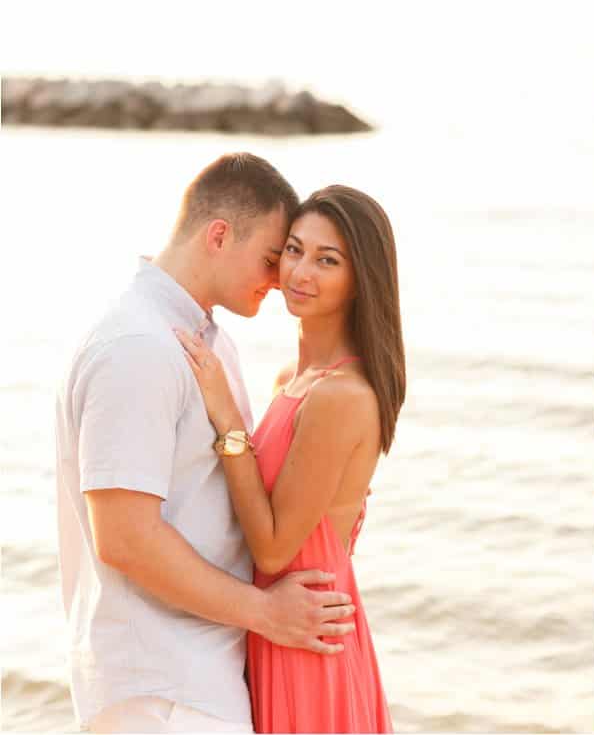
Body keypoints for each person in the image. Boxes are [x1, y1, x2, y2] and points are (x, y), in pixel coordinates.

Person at [56, 154, 359, 734]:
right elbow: (125, 538)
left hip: (199, 677)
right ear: (219, 235)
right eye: (274, 257)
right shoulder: (136, 346)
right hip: (160, 689)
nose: (280, 280)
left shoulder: (208, 344)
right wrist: (267, 613)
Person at [175, 184, 404, 732]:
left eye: (327, 260)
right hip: (278, 628)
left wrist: (227, 421)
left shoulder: (341, 395)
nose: (300, 272)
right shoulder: (293, 382)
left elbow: (276, 550)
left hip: (305, 646)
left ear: (359, 280)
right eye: (294, 251)